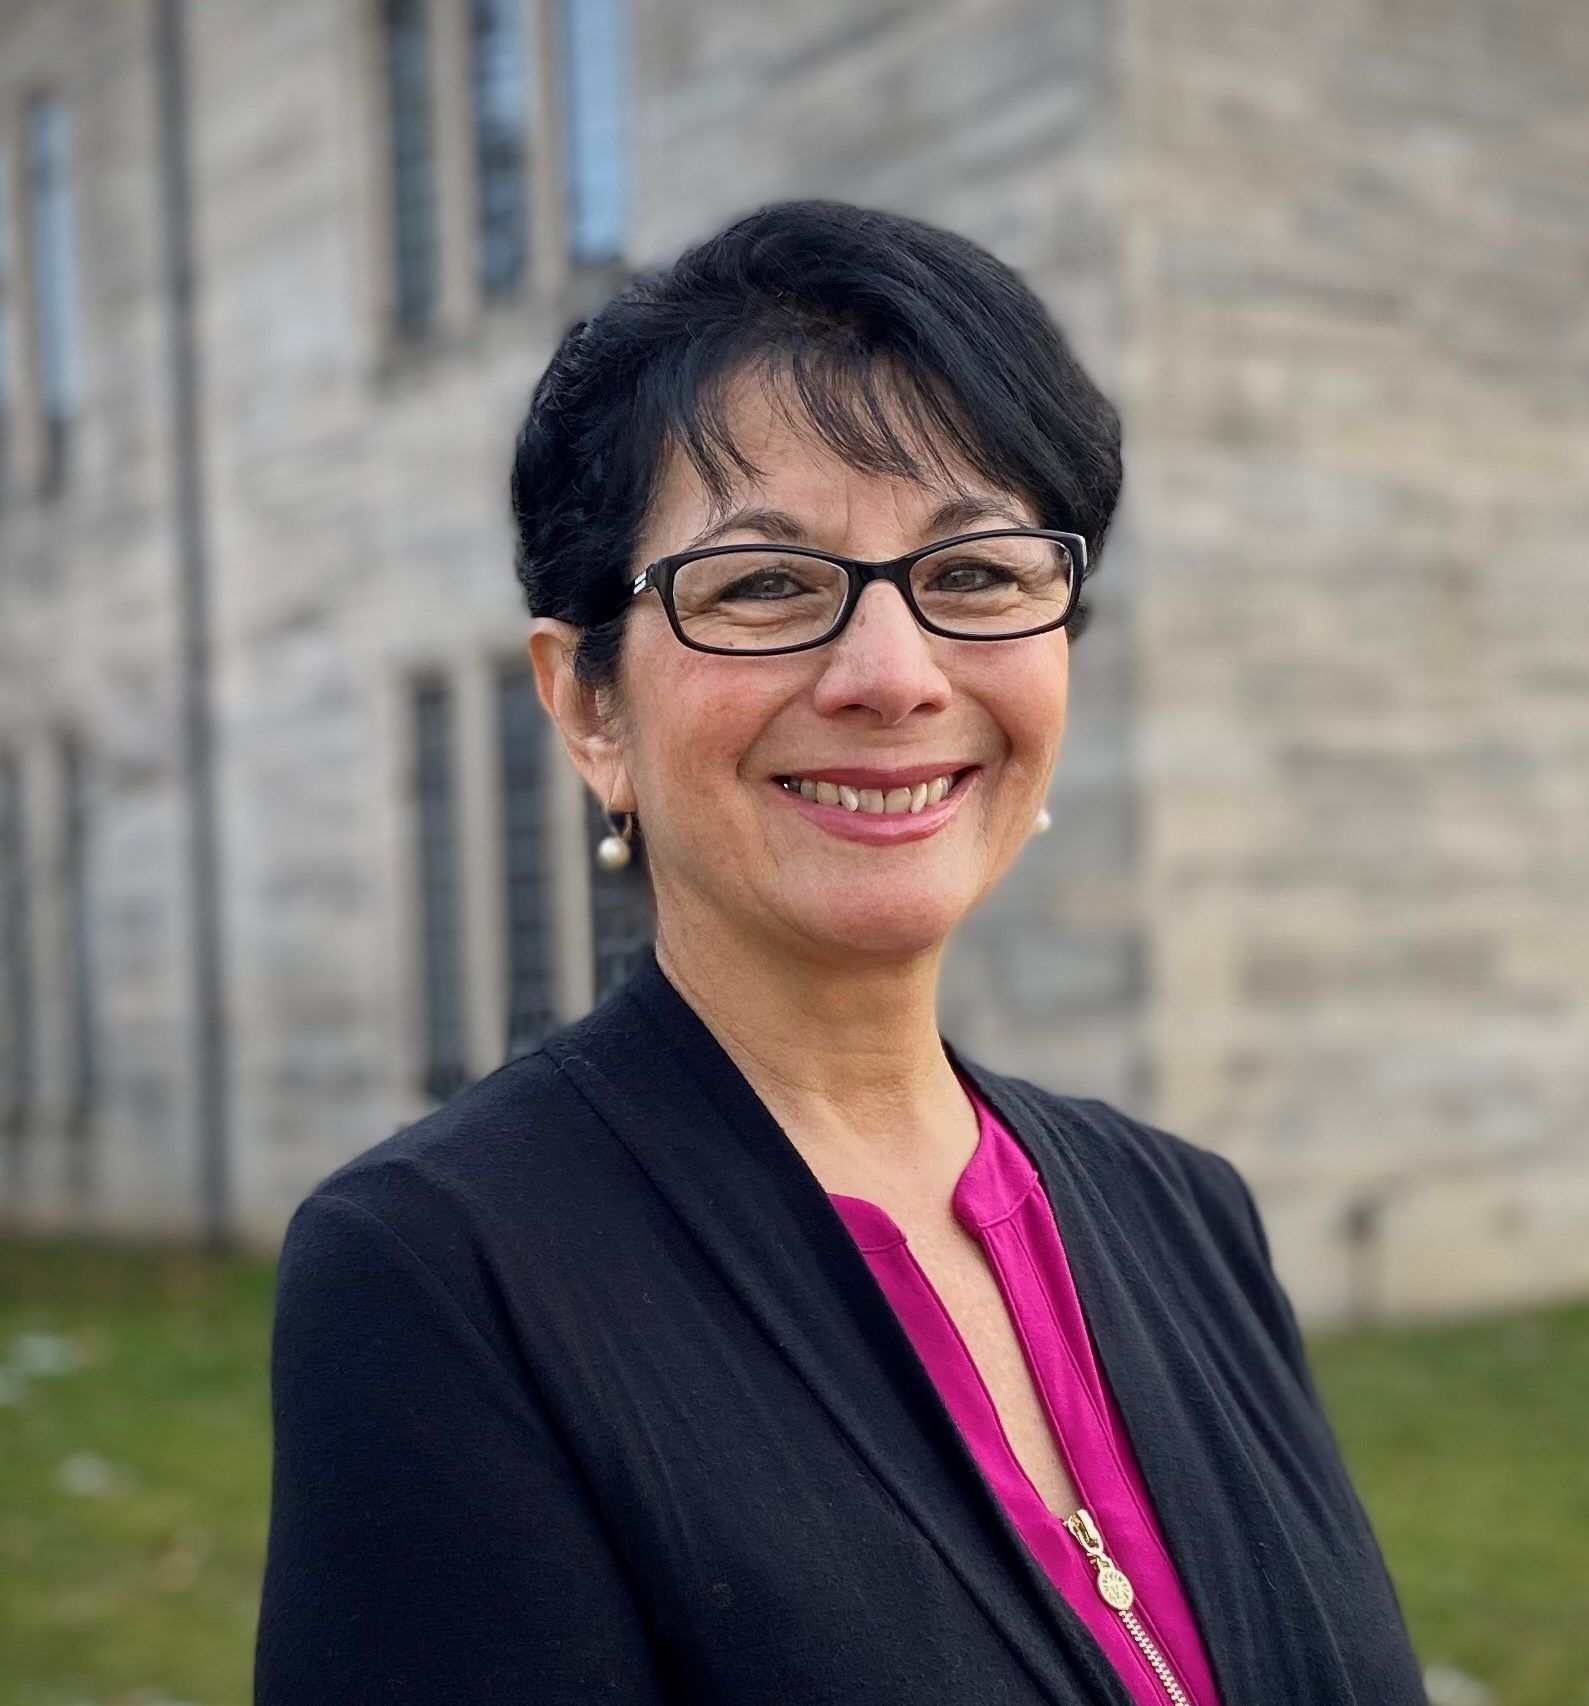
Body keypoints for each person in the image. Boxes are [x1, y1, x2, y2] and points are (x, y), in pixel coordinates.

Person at [254, 198, 1428, 1705]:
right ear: (588, 707)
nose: (893, 675)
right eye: (762, 586)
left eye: (978, 575)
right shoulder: (446, 1271)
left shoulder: (1184, 1213)